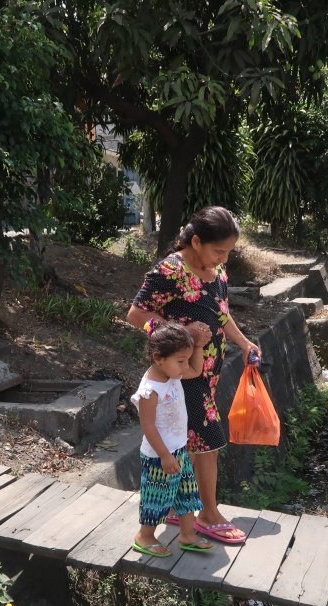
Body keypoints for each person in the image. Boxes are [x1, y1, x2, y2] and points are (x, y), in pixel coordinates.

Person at [127, 206, 261, 545]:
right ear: (196, 241)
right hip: (183, 374)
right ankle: (208, 514)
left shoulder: (216, 273)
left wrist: (244, 344)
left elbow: (222, 314)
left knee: (189, 443)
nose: (222, 258)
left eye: (228, 252)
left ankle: (180, 510)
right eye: (219, 251)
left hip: (209, 372)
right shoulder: (169, 271)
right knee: (210, 441)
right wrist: (182, 332)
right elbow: (136, 315)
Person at [130, 322, 215, 558]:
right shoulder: (150, 389)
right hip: (160, 456)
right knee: (157, 497)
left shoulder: (172, 372)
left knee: (187, 493)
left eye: (185, 360)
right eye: (180, 361)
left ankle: (187, 534)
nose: (184, 366)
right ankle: (144, 536)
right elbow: (148, 426)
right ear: (158, 358)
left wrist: (197, 346)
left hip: (178, 450)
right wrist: (165, 455)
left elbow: (196, 370)